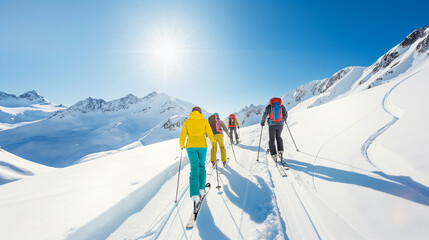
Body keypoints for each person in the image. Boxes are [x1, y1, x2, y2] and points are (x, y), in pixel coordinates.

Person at [180, 106, 216, 210]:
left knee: (194, 168)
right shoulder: (204, 121)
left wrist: (182, 145)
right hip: (202, 146)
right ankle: (201, 190)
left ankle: (195, 195)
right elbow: (209, 132)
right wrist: (213, 141)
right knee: (201, 166)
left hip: (191, 146)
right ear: (200, 112)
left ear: (192, 112)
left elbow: (183, 135)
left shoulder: (187, 121)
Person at [261, 98, 288, 162]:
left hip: (272, 125)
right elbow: (285, 114)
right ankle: (280, 151)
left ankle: (273, 154)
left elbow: (265, 115)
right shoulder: (281, 106)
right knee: (278, 137)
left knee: (272, 139)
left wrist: (262, 122)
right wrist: (284, 120)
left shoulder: (269, 107)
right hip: (280, 124)